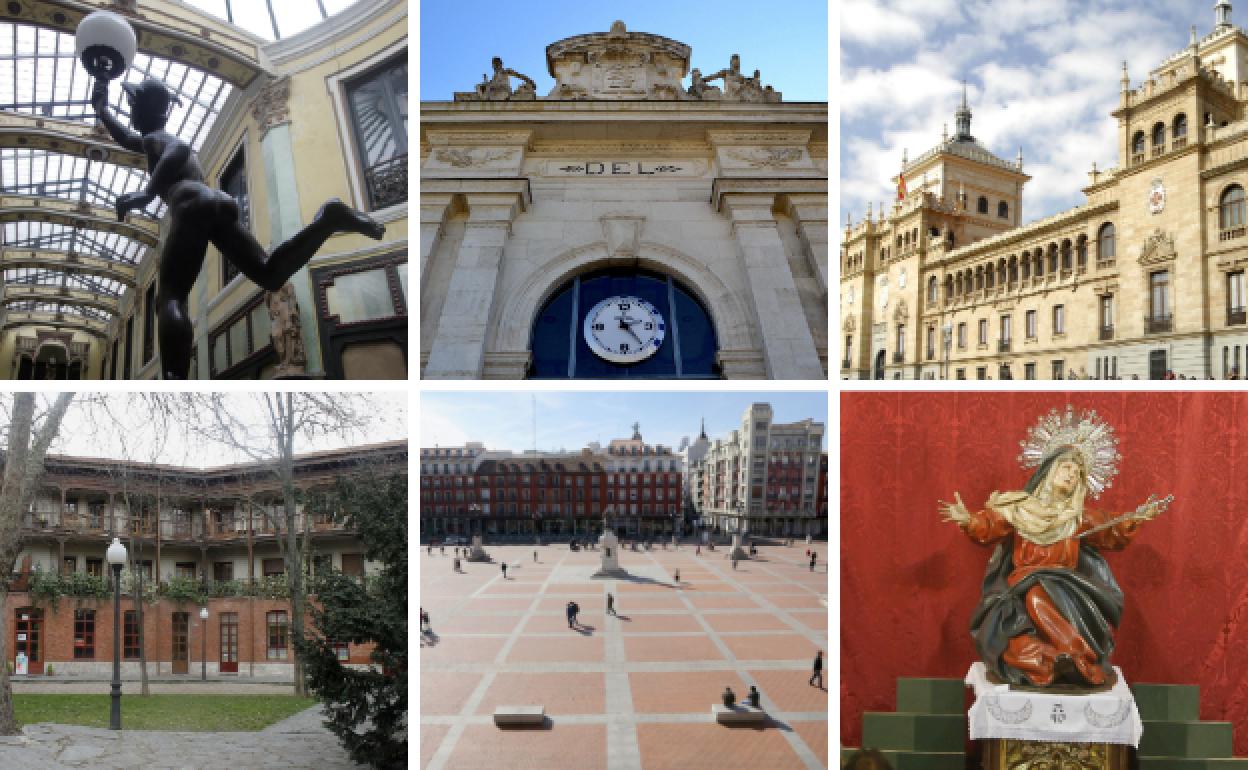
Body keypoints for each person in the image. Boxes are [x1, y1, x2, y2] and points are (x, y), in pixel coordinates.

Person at [89, 78, 385, 379]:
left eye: (131, 105)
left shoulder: (160, 138)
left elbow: (177, 149)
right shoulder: (151, 137)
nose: (129, 113)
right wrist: (103, 110)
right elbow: (127, 138)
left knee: (170, 298)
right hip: (218, 201)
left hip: (191, 202)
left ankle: (174, 377)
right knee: (270, 274)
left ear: (145, 109)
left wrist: (148, 192)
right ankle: (328, 220)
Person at [941, 420, 1168, 688]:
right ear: (1049, 471)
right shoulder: (1020, 507)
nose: (1071, 475)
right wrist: (968, 520)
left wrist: (1136, 518)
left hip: (1064, 586)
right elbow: (990, 526)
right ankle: (1051, 660)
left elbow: (1111, 529)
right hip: (1017, 588)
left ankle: (1075, 653)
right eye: (1066, 468)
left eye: (1078, 474)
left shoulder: (1076, 517)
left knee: (1038, 591)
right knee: (1015, 642)